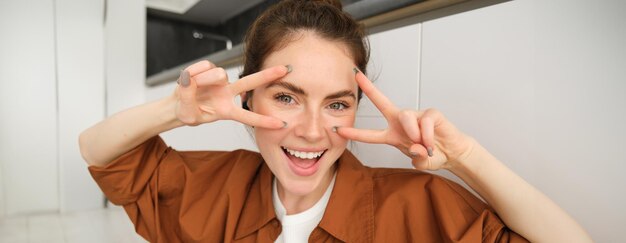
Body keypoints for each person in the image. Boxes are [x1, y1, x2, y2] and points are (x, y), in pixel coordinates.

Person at [79, 0, 592, 242]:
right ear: (250, 99)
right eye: (286, 97)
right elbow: (96, 150)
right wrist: (176, 111)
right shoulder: (211, 186)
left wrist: (465, 158)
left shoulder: (419, 206)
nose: (311, 130)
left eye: (337, 104)